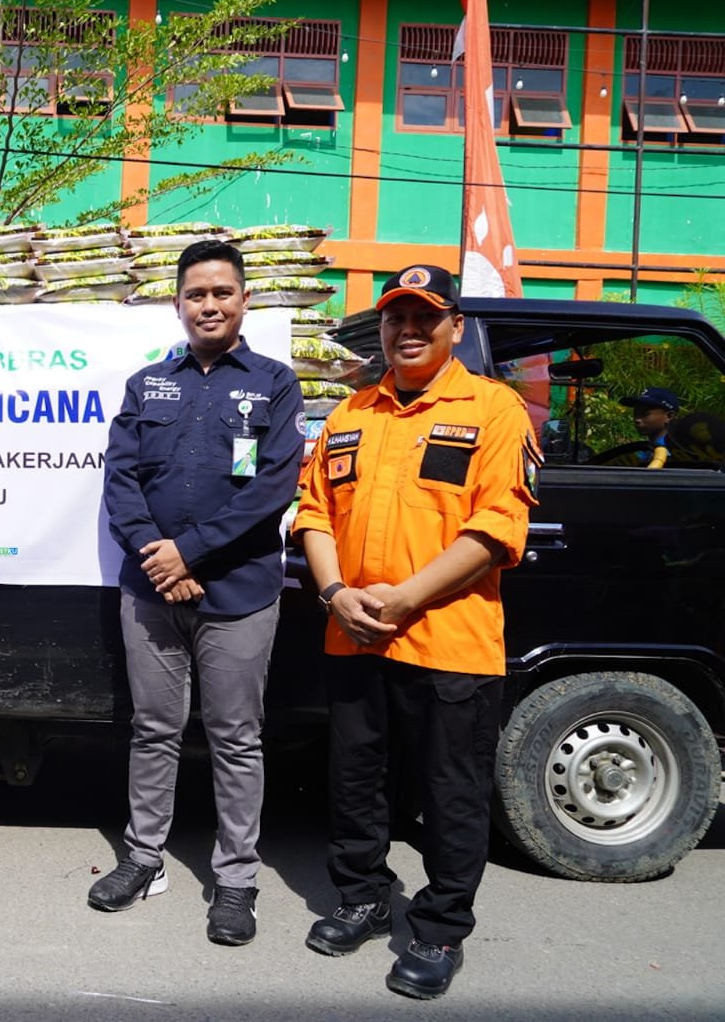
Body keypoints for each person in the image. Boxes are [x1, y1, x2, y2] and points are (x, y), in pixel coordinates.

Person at [293, 265, 538, 1000]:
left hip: (449, 640)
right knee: (355, 779)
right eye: (395, 318)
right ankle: (363, 897)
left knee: (450, 790)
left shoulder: (494, 409)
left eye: (424, 318)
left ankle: (439, 928)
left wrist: (402, 599)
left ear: (454, 327)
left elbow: (497, 528)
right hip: (354, 634)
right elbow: (313, 512)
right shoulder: (351, 412)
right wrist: (335, 593)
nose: (407, 331)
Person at [89, 240, 304, 946]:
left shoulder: (274, 383)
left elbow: (272, 488)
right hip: (152, 591)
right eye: (195, 294)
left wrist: (190, 551)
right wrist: (162, 560)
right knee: (153, 729)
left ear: (244, 300)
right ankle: (143, 859)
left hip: (239, 594)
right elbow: (121, 480)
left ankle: (236, 880)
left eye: (222, 292)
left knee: (236, 738)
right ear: (177, 303)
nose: (209, 305)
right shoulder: (147, 384)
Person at [619, 386, 681, 469]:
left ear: (669, 416)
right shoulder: (645, 451)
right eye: (635, 414)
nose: (637, 419)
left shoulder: (675, 454)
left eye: (645, 414)